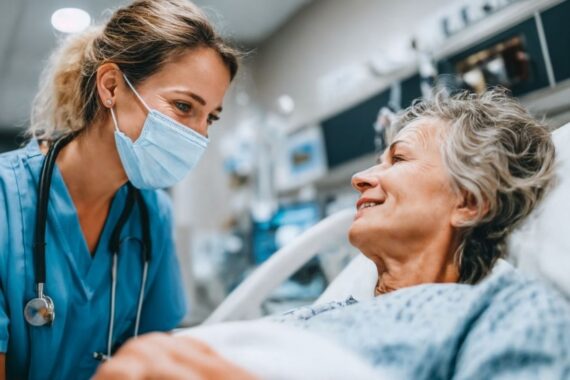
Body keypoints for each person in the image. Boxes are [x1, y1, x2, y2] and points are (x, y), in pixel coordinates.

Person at [93, 89, 570, 379]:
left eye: (398, 159)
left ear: (469, 203)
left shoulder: (504, 308)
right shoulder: (322, 314)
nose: (360, 177)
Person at [0, 0, 238, 378]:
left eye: (210, 117)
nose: (200, 134)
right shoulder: (5, 200)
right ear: (111, 86)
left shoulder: (151, 213)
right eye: (183, 106)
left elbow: (156, 356)